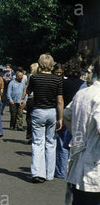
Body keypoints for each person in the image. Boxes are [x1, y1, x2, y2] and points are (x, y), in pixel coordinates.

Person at [56, 59, 100, 205]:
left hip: (79, 170)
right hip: (95, 176)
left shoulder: (85, 92)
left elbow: (69, 115)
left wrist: (80, 141)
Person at [25, 54, 63, 183]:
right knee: (51, 142)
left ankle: (37, 172)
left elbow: (28, 91)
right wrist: (61, 118)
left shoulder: (35, 77)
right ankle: (49, 174)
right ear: (52, 64)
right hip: (52, 111)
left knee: (37, 142)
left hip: (38, 111)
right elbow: (60, 101)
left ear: (40, 64)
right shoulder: (57, 79)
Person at [55, 59, 86, 179]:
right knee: (77, 144)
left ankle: (61, 172)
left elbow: (60, 101)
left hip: (65, 115)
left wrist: (60, 117)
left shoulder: (62, 83)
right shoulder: (83, 85)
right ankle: (75, 171)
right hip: (78, 117)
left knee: (63, 144)